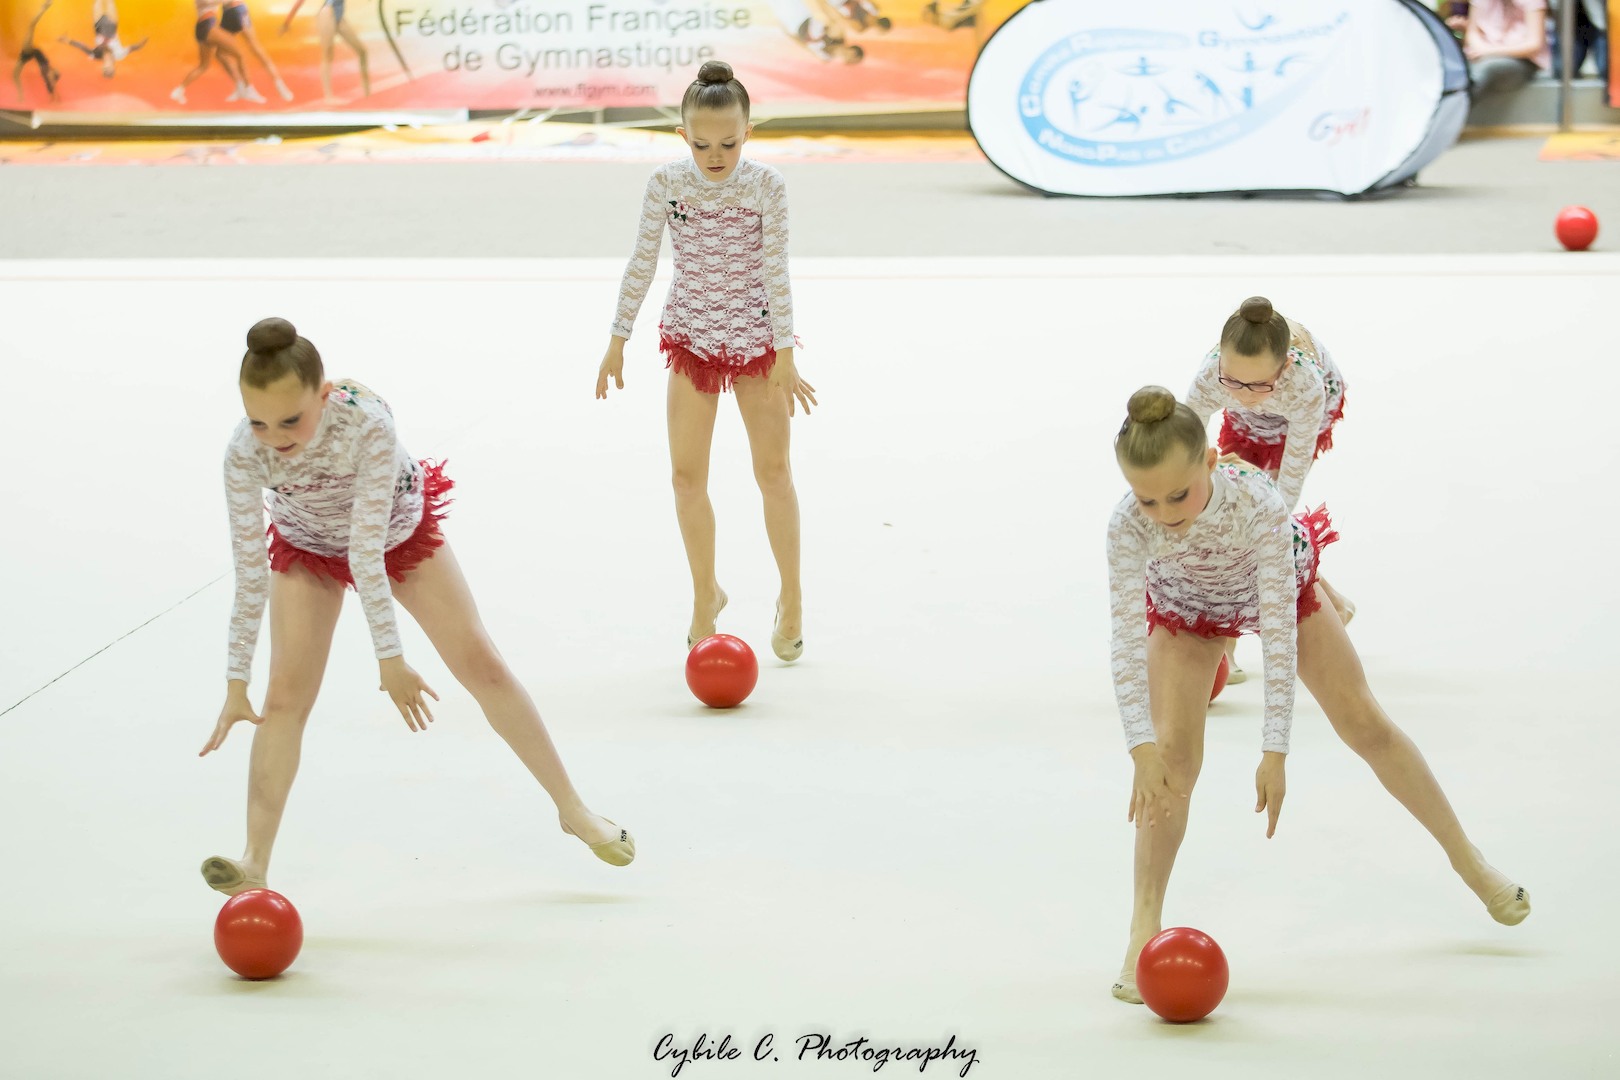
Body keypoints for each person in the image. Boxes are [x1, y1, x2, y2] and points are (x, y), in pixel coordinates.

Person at [1105, 386, 1529, 1004]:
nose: (1164, 513)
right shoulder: (1125, 527)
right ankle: (1143, 923)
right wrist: (1139, 747)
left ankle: (1470, 860)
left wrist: (1274, 749)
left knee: (1364, 722)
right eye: (1147, 499)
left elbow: (1279, 633)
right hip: (1187, 608)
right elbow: (1123, 640)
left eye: (1179, 494)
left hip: (1277, 588)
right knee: (1171, 761)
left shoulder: (1256, 504)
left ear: (1211, 463)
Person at [198, 317, 633, 897]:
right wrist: (236, 682)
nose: (274, 438)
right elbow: (250, 573)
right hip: (307, 546)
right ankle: (254, 861)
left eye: (291, 420)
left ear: (324, 396)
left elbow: (366, 551)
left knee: (480, 662)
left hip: (394, 536)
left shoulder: (367, 425)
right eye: (258, 422)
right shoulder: (242, 454)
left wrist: (391, 659)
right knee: (282, 698)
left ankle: (573, 808)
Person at [598, 61, 818, 659]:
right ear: (683, 136)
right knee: (685, 478)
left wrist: (785, 351)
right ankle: (705, 594)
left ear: (748, 132)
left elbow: (776, 269)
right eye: (701, 145)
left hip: (756, 342)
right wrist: (618, 336)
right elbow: (643, 260)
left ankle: (792, 595)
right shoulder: (667, 183)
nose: (715, 156)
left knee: (773, 473)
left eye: (729, 143)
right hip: (692, 337)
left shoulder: (766, 185)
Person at [1185, 296, 1353, 682]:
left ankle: (1231, 644)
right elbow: (1187, 447)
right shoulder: (1212, 378)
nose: (1244, 394)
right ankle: (1335, 604)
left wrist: (1264, 526)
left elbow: (1288, 484)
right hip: (1251, 419)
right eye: (1234, 381)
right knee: (1225, 512)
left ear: (1284, 367)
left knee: (1260, 525)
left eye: (1258, 384)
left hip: (1298, 416)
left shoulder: (1303, 384)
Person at [1448, 0, 1550, 103]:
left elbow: (1534, 44)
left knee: (1485, 69)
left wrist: (1488, 51)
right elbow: (1473, 33)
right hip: (1480, 55)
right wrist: (1480, 49)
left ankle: (1455, 106)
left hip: (1520, 59)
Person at [171, 0, 262, 104]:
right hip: (208, 26)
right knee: (240, 54)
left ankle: (179, 91)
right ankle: (248, 89)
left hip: (203, 27)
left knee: (203, 65)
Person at [281, 0, 369, 102]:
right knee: (327, 53)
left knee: (362, 51)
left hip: (339, 15)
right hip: (327, 14)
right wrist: (287, 22)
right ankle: (328, 96)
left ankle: (366, 89)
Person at [220, 0, 293, 101]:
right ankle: (244, 88)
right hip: (231, 11)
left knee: (255, 49)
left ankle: (278, 84)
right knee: (222, 52)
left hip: (235, 10)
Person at [58, 0, 147, 80]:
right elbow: (133, 48)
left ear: (102, 67)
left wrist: (68, 40)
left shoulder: (96, 55)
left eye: (105, 69)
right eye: (109, 69)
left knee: (98, 1)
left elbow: (82, 47)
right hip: (112, 24)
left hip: (98, 25)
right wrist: (141, 44)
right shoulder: (119, 54)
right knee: (110, 1)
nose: (106, 66)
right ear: (114, 67)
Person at [12, 0, 61, 104]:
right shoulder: (47, 69)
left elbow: (51, 79)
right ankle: (20, 95)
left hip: (28, 53)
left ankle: (44, 8)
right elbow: (51, 77)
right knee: (16, 74)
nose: (55, 71)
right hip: (31, 54)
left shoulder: (47, 72)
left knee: (31, 26)